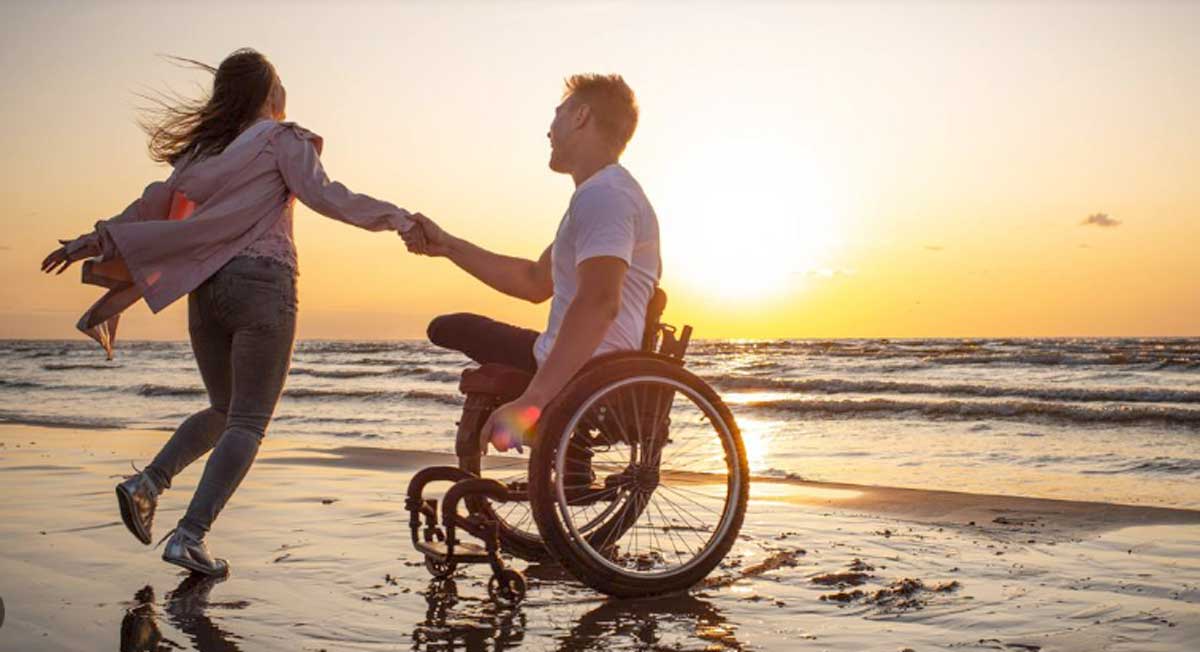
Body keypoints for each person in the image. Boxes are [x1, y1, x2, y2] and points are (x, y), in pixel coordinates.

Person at [39, 48, 416, 576]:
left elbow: (150, 204)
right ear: (268, 94)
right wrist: (397, 219)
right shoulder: (282, 139)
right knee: (248, 420)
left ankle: (147, 483)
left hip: (206, 290)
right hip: (263, 284)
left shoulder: (200, 156)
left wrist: (93, 239)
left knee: (223, 410)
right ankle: (189, 536)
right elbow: (324, 194)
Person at [403, 73, 661, 454]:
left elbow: (600, 302)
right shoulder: (598, 197)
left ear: (581, 117)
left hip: (591, 369)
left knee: (449, 328)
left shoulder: (605, 197)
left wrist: (533, 400)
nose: (549, 130)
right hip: (574, 357)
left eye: (558, 115)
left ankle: (564, 452)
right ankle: (570, 459)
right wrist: (448, 246)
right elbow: (534, 281)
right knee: (448, 328)